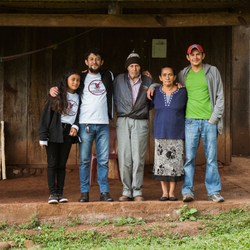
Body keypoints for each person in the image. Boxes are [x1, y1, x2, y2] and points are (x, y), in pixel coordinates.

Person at [148, 44, 225, 203]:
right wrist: (152, 85)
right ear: (188, 57)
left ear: (203, 56)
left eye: (198, 54)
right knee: (189, 158)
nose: (195, 57)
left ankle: (214, 191)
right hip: (190, 121)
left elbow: (220, 96)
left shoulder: (212, 72)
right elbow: (167, 83)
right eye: (192, 54)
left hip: (209, 121)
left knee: (211, 158)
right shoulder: (183, 74)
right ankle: (187, 191)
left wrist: (214, 118)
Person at [50, 48, 114, 202]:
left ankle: (104, 192)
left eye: (97, 59)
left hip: (103, 124)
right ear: (86, 62)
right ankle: (84, 193)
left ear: (102, 62)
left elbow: (127, 76)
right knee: (84, 160)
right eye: (91, 59)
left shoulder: (108, 75)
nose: (94, 62)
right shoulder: (81, 78)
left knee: (103, 160)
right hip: (85, 125)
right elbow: (67, 85)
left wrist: (145, 76)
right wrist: (53, 89)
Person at [113, 52, 155, 202]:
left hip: (140, 121)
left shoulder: (149, 81)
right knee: (124, 156)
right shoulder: (118, 80)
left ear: (140, 67)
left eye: (137, 65)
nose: (134, 68)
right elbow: (103, 77)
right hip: (123, 120)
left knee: (138, 157)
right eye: (131, 65)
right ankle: (126, 190)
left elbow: (153, 101)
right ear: (127, 67)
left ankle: (137, 191)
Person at [39, 69, 81, 204]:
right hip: (54, 132)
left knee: (62, 165)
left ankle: (60, 194)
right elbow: (46, 116)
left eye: (78, 80)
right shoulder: (57, 95)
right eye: (72, 79)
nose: (75, 82)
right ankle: (52, 194)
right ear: (66, 81)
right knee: (52, 164)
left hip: (68, 133)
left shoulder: (80, 96)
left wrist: (75, 126)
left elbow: (80, 114)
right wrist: (43, 136)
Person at [150, 66, 187, 201]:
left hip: (177, 133)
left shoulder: (182, 92)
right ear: (160, 78)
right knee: (161, 164)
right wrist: (152, 86)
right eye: (164, 75)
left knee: (175, 164)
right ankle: (164, 192)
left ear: (174, 77)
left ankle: (172, 192)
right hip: (160, 132)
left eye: (170, 75)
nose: (167, 77)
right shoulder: (156, 92)